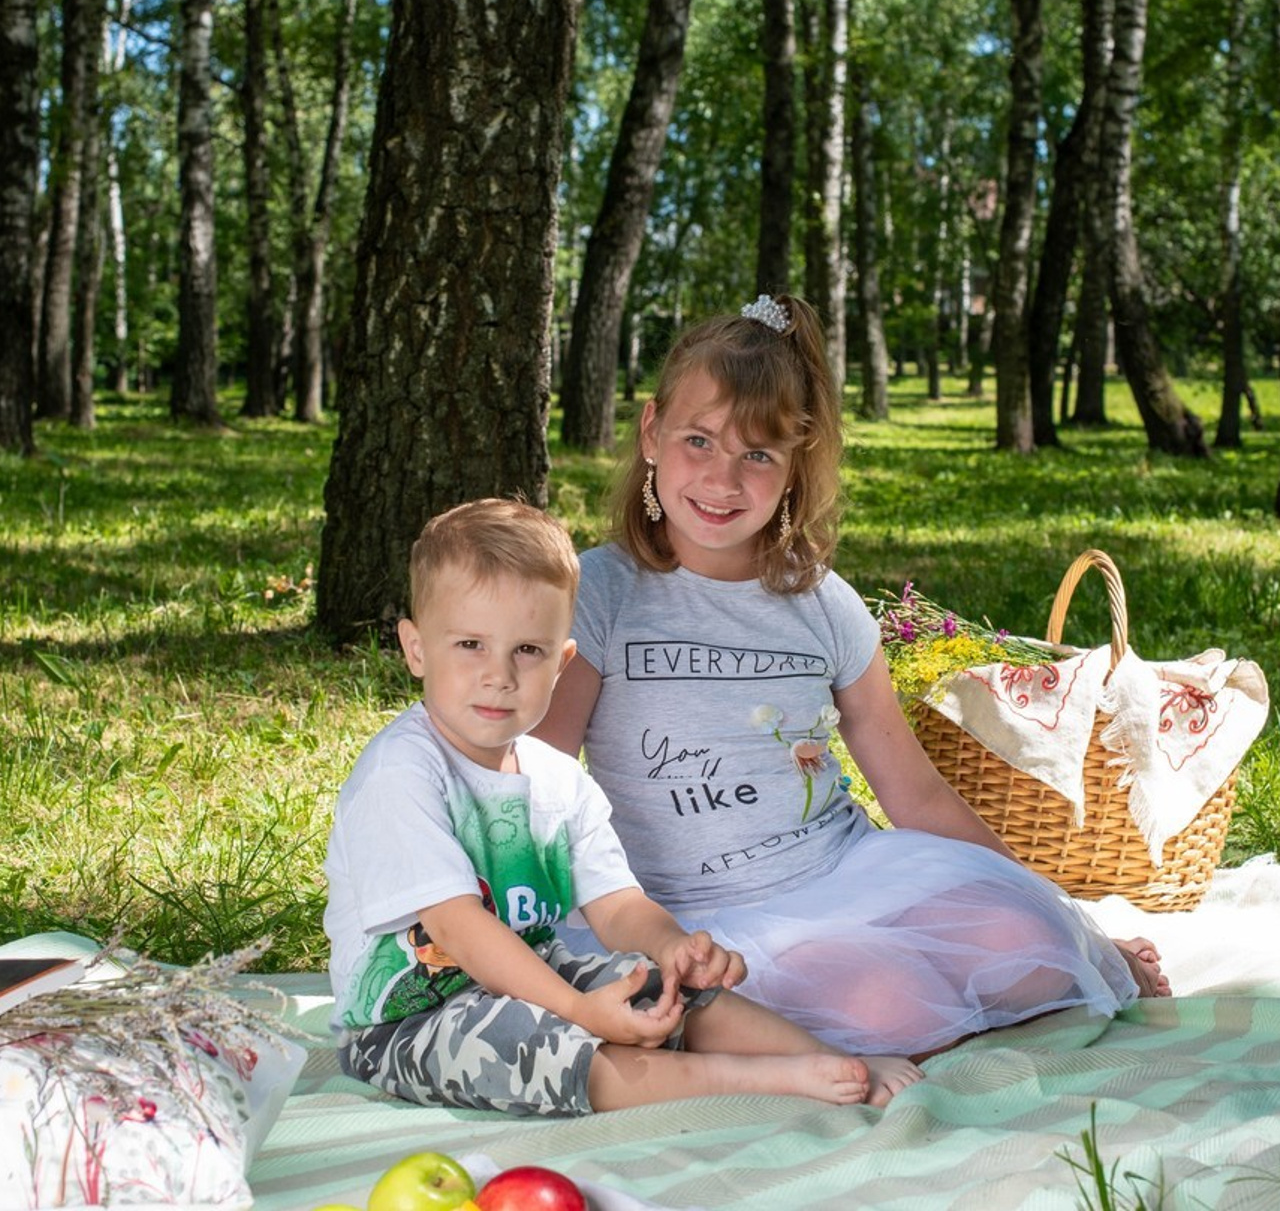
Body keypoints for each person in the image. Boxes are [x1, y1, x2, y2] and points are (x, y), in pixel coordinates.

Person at [534, 294, 1168, 1061]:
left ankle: (1013, 959)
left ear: (795, 465)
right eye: (698, 441)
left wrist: (1075, 925)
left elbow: (918, 793)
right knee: (883, 1009)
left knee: (1030, 950)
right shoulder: (600, 593)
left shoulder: (821, 604)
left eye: (758, 455)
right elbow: (539, 781)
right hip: (688, 914)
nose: (722, 479)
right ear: (651, 433)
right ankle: (766, 1021)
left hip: (841, 870)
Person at [324, 497, 923, 1117]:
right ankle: (771, 1079)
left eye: (527, 650)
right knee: (550, 1050)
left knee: (659, 986)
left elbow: (616, 904)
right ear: (416, 649)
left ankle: (822, 1056)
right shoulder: (402, 771)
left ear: (562, 663)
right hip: (409, 1018)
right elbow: (458, 928)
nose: (498, 674)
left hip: (528, 969)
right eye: (470, 644)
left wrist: (672, 947)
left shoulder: (557, 778)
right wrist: (579, 1010)